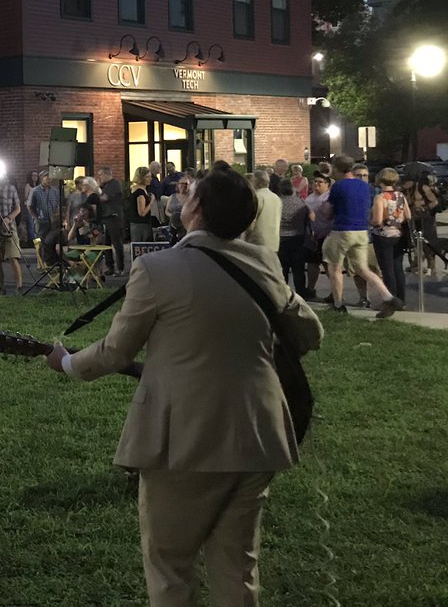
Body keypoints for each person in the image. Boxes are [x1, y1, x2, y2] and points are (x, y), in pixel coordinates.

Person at [45, 166, 324, 607]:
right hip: (259, 429)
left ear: (194, 208)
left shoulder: (158, 268)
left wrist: (68, 362)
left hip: (186, 437)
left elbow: (116, 352)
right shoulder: (264, 263)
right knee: (239, 565)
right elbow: (310, 335)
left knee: (170, 565)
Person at [324, 154, 403, 317]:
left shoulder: (338, 186)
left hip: (342, 230)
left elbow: (327, 212)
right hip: (362, 231)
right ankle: (389, 297)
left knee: (335, 267)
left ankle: (338, 304)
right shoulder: (364, 186)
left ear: (337, 168)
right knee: (363, 268)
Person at [370, 168, 408, 308]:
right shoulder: (401, 196)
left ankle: (390, 300)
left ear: (380, 179)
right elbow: (408, 216)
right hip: (398, 235)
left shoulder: (380, 197)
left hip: (383, 236)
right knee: (398, 267)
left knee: (387, 269)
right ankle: (401, 299)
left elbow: (378, 220)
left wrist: (371, 220)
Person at [0, 173, 23, 295]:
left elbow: (18, 208)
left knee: (13, 257)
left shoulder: (11, 188)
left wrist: (8, 218)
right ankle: (1, 287)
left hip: (9, 228)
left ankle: (19, 286)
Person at [402, 170, 440, 278]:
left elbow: (434, 202)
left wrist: (425, 208)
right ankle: (417, 261)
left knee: (428, 241)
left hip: (426, 218)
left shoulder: (422, 188)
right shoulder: (405, 189)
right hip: (412, 218)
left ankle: (431, 265)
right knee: (413, 240)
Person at [277, 179, 309, 297]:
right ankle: (301, 291)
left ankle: (283, 292)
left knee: (283, 268)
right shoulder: (300, 202)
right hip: (298, 237)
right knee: (298, 268)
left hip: (282, 238)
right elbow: (306, 219)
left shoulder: (278, 202)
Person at [303, 173, 333, 298]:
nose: (316, 184)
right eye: (315, 181)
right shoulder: (309, 198)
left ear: (328, 185)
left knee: (329, 264)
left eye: (320, 182)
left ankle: (335, 291)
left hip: (328, 235)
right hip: (313, 236)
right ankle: (310, 289)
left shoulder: (329, 197)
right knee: (312, 263)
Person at [27, 171, 61, 266]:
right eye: (47, 178)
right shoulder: (35, 191)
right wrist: (35, 217)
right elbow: (30, 206)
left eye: (50, 178)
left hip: (53, 221)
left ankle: (51, 261)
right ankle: (41, 263)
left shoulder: (55, 191)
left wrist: (57, 215)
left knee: (51, 241)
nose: (49, 180)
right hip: (41, 220)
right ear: (42, 178)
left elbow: (58, 204)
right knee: (41, 242)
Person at [97, 167, 126, 275]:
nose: (99, 177)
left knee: (116, 243)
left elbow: (104, 198)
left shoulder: (114, 184)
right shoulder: (105, 186)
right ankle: (110, 267)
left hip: (114, 217)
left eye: (100, 175)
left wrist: (95, 191)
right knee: (106, 243)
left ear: (106, 174)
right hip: (106, 217)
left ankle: (120, 268)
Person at [245, 169, 282, 253]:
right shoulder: (276, 198)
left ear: (256, 181)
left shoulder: (256, 197)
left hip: (257, 242)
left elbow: (251, 221)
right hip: (274, 242)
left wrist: (245, 236)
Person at [129, 167, 157, 243]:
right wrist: (151, 202)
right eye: (147, 177)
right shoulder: (140, 192)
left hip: (139, 223)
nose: (150, 179)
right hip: (141, 225)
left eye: (150, 176)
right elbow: (142, 213)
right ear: (141, 178)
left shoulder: (136, 189)